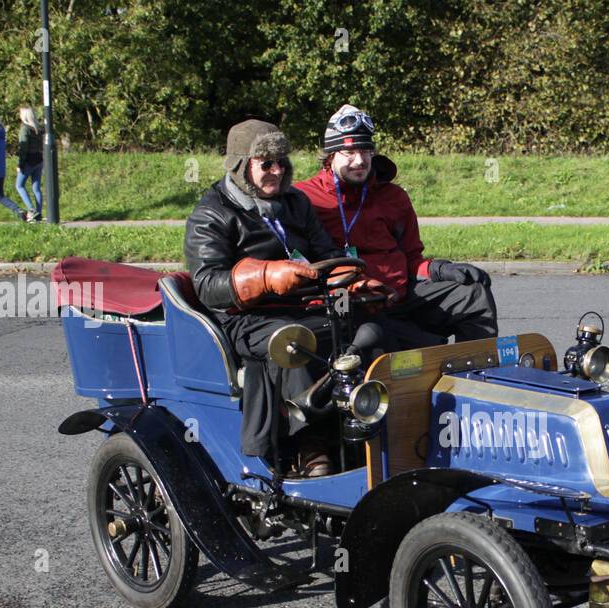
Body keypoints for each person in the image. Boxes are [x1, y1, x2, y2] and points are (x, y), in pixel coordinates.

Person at [184, 119, 395, 477]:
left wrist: (355, 285)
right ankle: (307, 446)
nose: (277, 171)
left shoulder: (295, 202)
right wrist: (265, 276)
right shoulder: (211, 214)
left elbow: (324, 252)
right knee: (297, 344)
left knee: (370, 332)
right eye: (267, 163)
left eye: (282, 162)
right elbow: (206, 284)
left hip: (302, 307)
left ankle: (370, 425)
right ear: (240, 166)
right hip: (244, 319)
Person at [294, 105, 497, 350]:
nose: (359, 160)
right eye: (349, 152)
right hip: (348, 300)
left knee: (472, 295)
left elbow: (412, 258)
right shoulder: (304, 198)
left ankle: (475, 375)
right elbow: (300, 262)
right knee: (407, 346)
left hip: (400, 295)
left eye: (366, 150)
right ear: (330, 156)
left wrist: (437, 269)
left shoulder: (394, 196)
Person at [15, 106, 44, 222]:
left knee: (19, 185)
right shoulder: (37, 128)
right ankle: (39, 213)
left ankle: (32, 210)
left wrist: (20, 164)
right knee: (36, 187)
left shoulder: (24, 129)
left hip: (28, 160)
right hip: (39, 159)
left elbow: (23, 147)